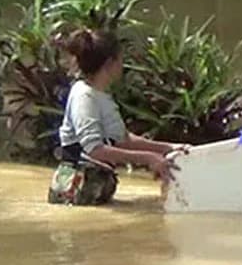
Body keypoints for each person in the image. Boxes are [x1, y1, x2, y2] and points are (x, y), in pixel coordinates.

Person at [49, 28, 189, 206]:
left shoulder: (99, 95)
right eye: (121, 60)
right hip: (77, 192)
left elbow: (123, 139)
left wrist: (168, 148)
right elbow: (95, 150)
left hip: (93, 189)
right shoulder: (84, 96)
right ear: (110, 63)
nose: (123, 65)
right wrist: (148, 159)